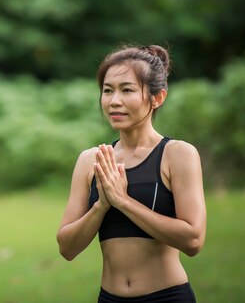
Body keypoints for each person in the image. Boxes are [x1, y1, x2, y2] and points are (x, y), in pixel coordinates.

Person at [56, 45, 206, 303]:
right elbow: (66, 247)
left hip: (167, 298)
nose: (114, 101)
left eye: (127, 90)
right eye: (107, 90)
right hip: (109, 299)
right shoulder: (91, 160)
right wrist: (101, 205)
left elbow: (193, 240)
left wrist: (123, 201)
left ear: (157, 98)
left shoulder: (177, 155)